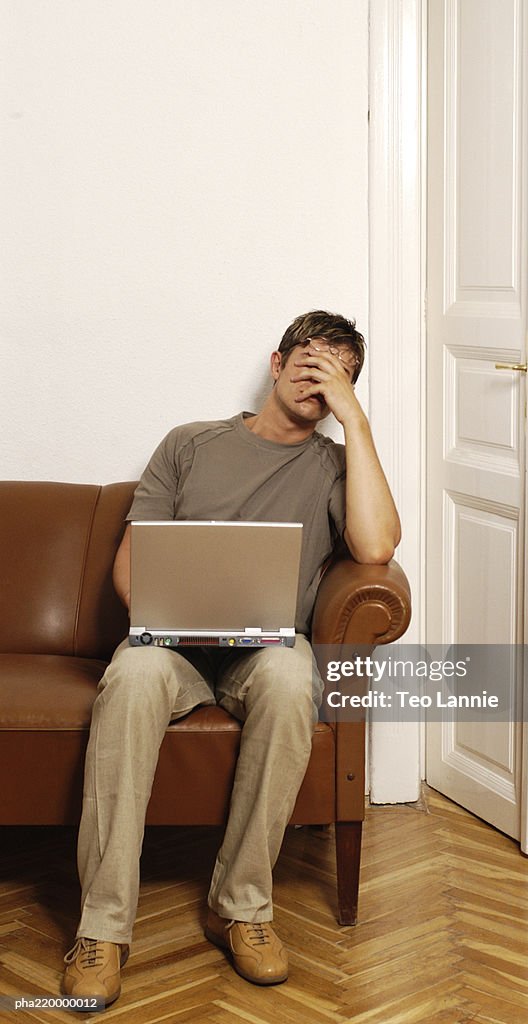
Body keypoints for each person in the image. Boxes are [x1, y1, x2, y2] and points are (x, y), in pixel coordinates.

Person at [61, 310, 402, 1007]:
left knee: (288, 678)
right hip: (173, 646)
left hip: (265, 649)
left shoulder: (335, 464)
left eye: (338, 374)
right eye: (309, 362)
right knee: (130, 675)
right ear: (276, 365)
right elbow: (131, 568)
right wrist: (166, 618)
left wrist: (356, 424)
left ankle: (241, 907)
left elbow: (376, 550)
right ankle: (102, 928)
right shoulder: (190, 444)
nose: (319, 379)